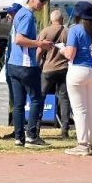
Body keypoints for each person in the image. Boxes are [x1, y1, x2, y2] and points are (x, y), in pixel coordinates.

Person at [61, 1, 92, 156]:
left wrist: (62, 49)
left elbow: (70, 54)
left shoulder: (75, 30)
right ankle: (90, 143)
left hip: (78, 70)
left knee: (79, 110)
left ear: (77, 14)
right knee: (91, 110)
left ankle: (82, 145)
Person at [7, 0, 53, 148]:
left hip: (14, 64)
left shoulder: (19, 13)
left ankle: (19, 138)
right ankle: (32, 136)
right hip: (25, 65)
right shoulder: (27, 15)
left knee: (18, 104)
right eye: (41, 0)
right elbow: (19, 39)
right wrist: (40, 44)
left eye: (45, 1)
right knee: (36, 99)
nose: (43, 4)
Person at [36, 9, 71, 138]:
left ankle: (37, 128)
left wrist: (36, 64)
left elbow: (39, 51)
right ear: (62, 19)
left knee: (41, 97)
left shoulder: (45, 31)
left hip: (47, 69)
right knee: (64, 98)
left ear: (51, 20)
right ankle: (65, 130)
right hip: (64, 69)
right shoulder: (68, 32)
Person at [1, 3, 22, 139]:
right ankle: (17, 129)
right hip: (9, 67)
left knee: (17, 101)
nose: (8, 15)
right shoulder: (12, 29)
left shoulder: (19, 28)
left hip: (16, 67)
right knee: (14, 101)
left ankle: (18, 131)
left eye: (10, 13)